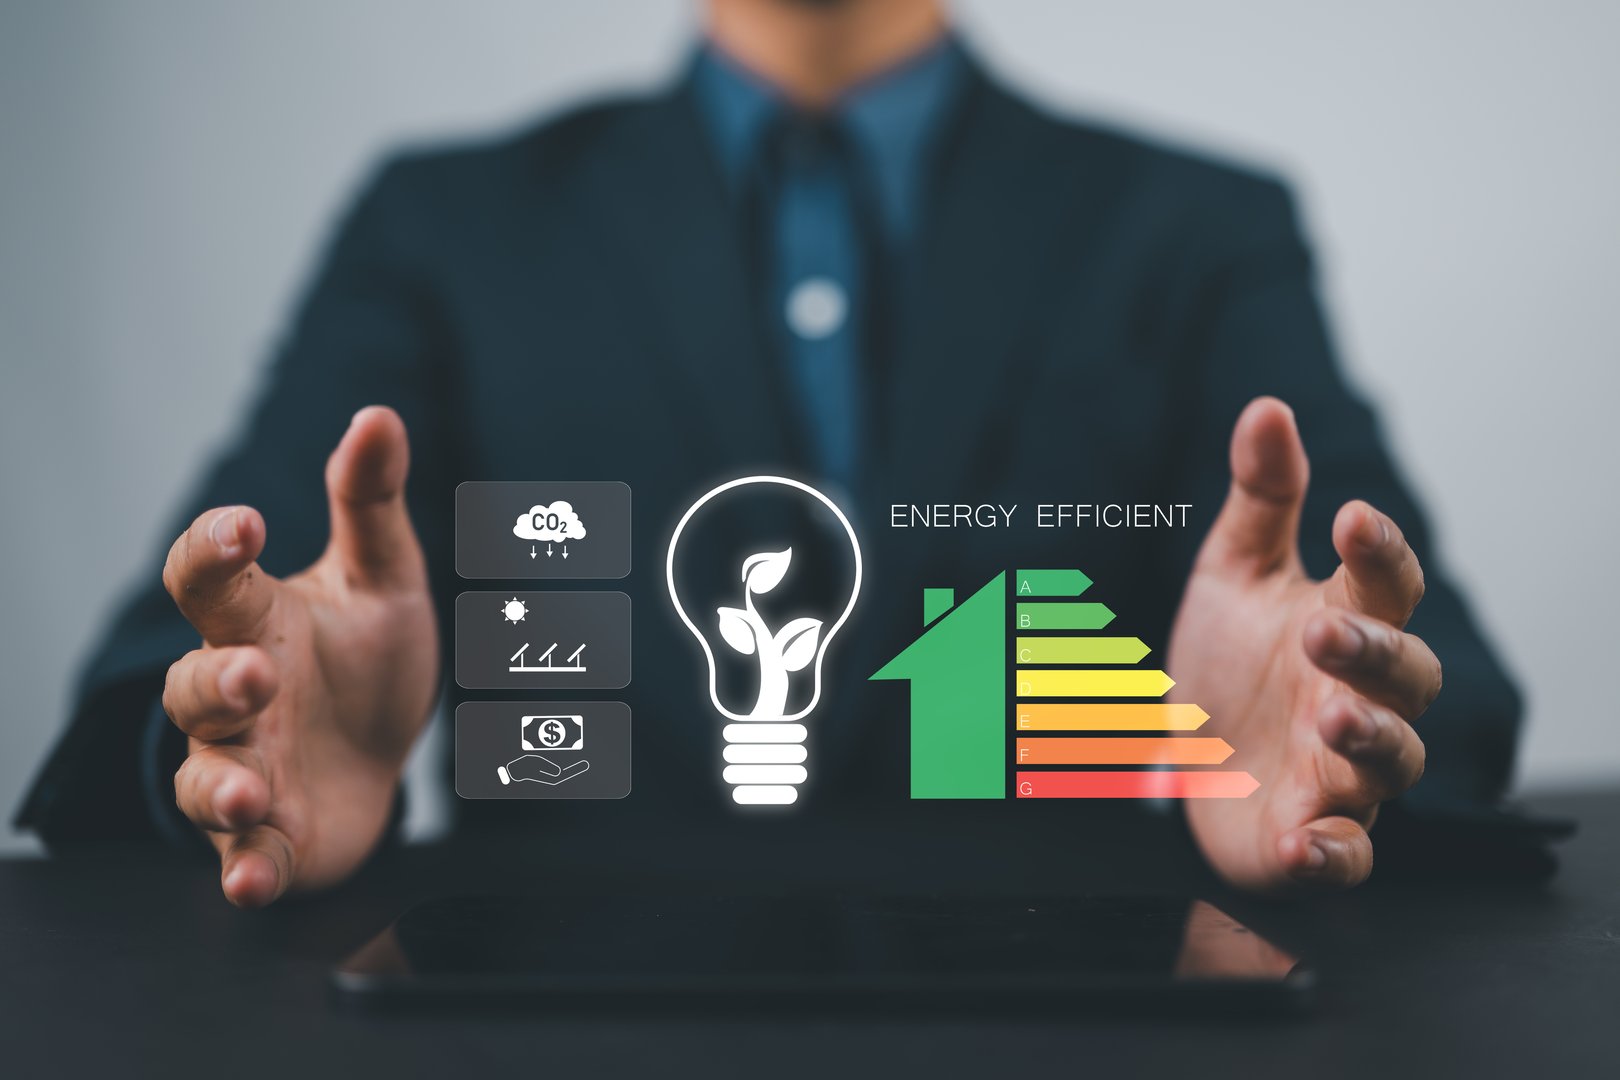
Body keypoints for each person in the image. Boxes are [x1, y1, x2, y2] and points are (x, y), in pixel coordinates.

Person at [17, 0, 1518, 907]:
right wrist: (238, 755)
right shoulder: (446, 227)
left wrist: (1333, 751)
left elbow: (1430, 675)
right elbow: (175, 667)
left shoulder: (1196, 229)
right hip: (560, 1033)